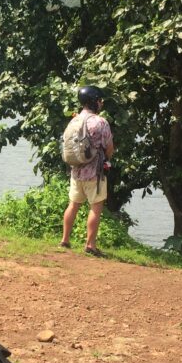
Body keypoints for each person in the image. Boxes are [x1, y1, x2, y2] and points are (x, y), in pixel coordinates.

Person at [60, 85, 114, 256]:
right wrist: (106, 156)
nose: (101, 103)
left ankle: (65, 240)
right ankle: (90, 245)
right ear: (94, 102)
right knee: (96, 208)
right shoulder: (101, 122)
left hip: (75, 171)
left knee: (73, 205)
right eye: (99, 100)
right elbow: (109, 148)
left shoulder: (74, 120)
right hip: (94, 174)